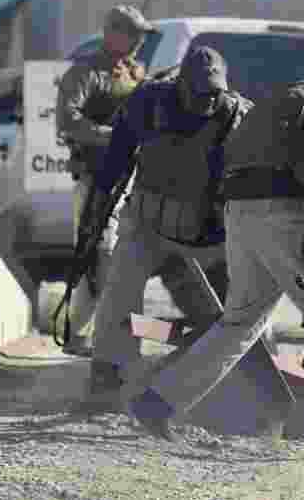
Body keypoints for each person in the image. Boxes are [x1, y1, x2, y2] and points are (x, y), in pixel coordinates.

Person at [124, 66, 304, 460]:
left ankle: (157, 402)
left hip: (240, 213)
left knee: (239, 322)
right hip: (282, 213)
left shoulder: (278, 102)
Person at [80, 45, 253, 412]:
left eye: (215, 92)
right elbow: (114, 162)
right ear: (181, 85)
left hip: (208, 239)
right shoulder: (148, 103)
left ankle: (236, 380)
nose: (208, 100)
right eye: (200, 91)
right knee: (119, 292)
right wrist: (96, 215)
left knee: (237, 311)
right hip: (148, 227)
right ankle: (108, 375)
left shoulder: (237, 115)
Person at [55, 4, 152, 356]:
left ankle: (101, 334)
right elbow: (68, 122)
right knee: (96, 255)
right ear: (112, 33)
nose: (139, 42)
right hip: (96, 178)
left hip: (130, 179)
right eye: (133, 34)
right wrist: (115, 136)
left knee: (116, 257)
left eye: (142, 35)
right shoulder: (85, 73)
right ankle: (78, 333)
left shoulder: (136, 73)